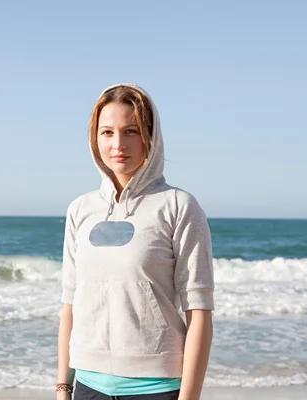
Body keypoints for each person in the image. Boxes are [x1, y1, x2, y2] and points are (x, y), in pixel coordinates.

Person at [56, 84, 215, 400]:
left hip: (156, 390)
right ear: (94, 138)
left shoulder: (178, 206)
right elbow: (70, 306)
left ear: (150, 137)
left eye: (131, 131)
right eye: (107, 132)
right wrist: (63, 388)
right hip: (88, 389)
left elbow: (199, 313)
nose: (118, 144)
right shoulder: (80, 209)